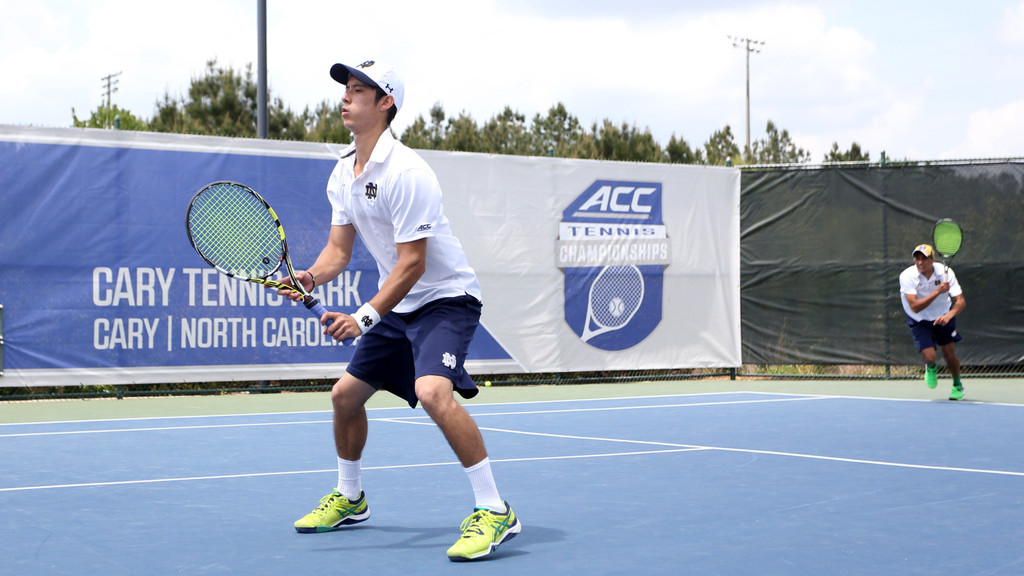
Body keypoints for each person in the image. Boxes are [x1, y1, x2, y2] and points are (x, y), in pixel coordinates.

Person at [279, 59, 519, 561]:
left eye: (358, 90)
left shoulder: (408, 173)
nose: (345, 97)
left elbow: (413, 263)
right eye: (345, 89)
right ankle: (350, 498)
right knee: (344, 397)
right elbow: (338, 252)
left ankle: (494, 509)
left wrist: (362, 318)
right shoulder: (343, 173)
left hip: (445, 299)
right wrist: (311, 277)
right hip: (400, 304)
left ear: (385, 102)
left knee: (432, 392)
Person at [898, 243, 967, 400]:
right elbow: (915, 307)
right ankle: (930, 366)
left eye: (924, 258)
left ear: (933, 260)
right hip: (919, 319)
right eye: (917, 258)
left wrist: (950, 315)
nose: (920, 262)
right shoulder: (907, 276)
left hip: (943, 315)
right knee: (930, 356)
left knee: (949, 354)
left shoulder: (946, 273)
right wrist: (937, 291)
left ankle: (957, 385)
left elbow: (961, 301)